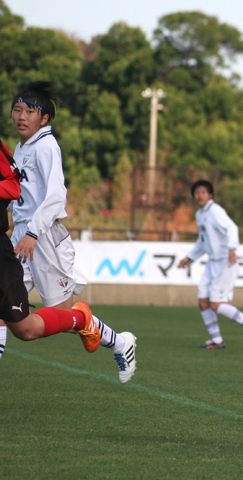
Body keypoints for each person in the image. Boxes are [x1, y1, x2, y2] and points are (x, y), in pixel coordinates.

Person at [8, 81, 136, 383]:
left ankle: (120, 342)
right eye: (16, 109)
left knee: (65, 315)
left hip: (43, 239)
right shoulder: (22, 146)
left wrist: (33, 233)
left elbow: (55, 197)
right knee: (6, 309)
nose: (21, 116)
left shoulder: (46, 146)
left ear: (45, 118)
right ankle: (98, 329)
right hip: (21, 238)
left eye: (29, 110)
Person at [178, 179, 243, 349]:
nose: (199, 196)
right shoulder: (200, 214)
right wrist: (189, 258)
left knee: (215, 304)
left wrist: (232, 248)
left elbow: (232, 228)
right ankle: (217, 340)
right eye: (196, 193)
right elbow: (203, 242)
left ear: (210, 195)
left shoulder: (215, 211)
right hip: (212, 263)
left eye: (203, 192)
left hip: (225, 261)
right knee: (203, 301)